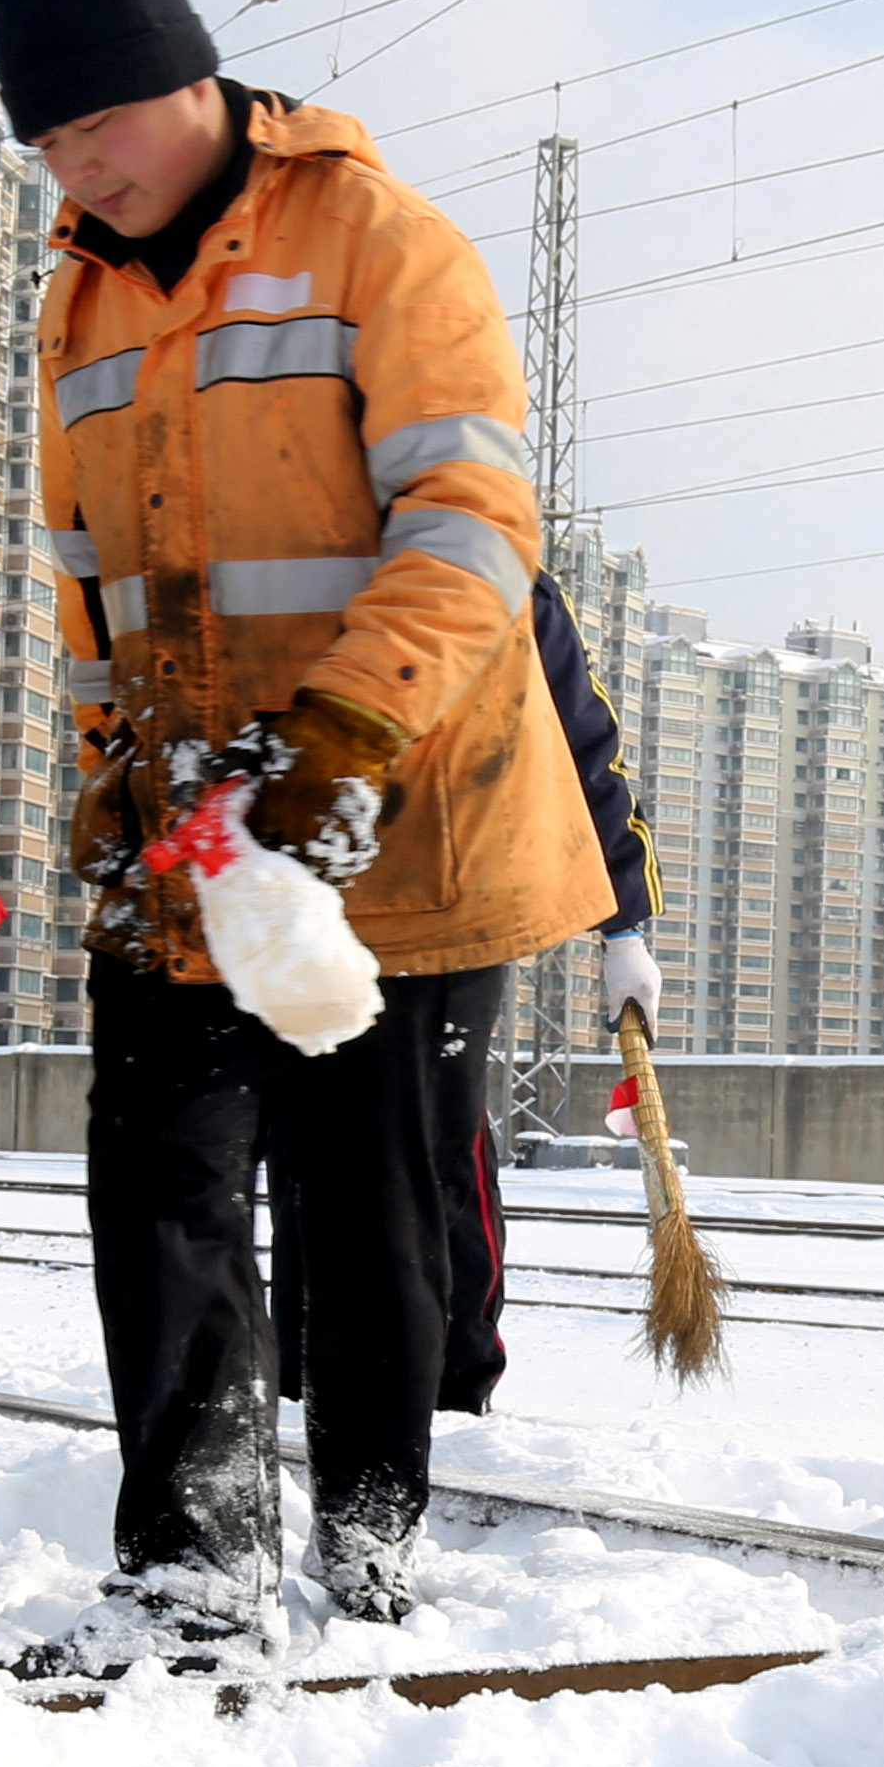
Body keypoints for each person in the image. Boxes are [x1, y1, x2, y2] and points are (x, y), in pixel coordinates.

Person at [0, 0, 610, 1652]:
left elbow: (474, 523)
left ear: (189, 78)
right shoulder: (76, 298)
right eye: (45, 141)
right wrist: (113, 759)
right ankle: (187, 1558)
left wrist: (342, 730)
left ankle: (370, 1525)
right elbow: (84, 571)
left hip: (401, 806)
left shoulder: (381, 245)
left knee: (371, 1195)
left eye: (98, 122)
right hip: (194, 824)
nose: (79, 165)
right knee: (161, 1182)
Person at [280, 564, 668, 1421]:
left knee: (432, 1146)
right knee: (310, 1149)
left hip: (447, 897)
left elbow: (579, 740)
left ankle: (453, 1387)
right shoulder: (285, 526)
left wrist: (624, 922)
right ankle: (302, 1376)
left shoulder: (492, 558)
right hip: (297, 895)